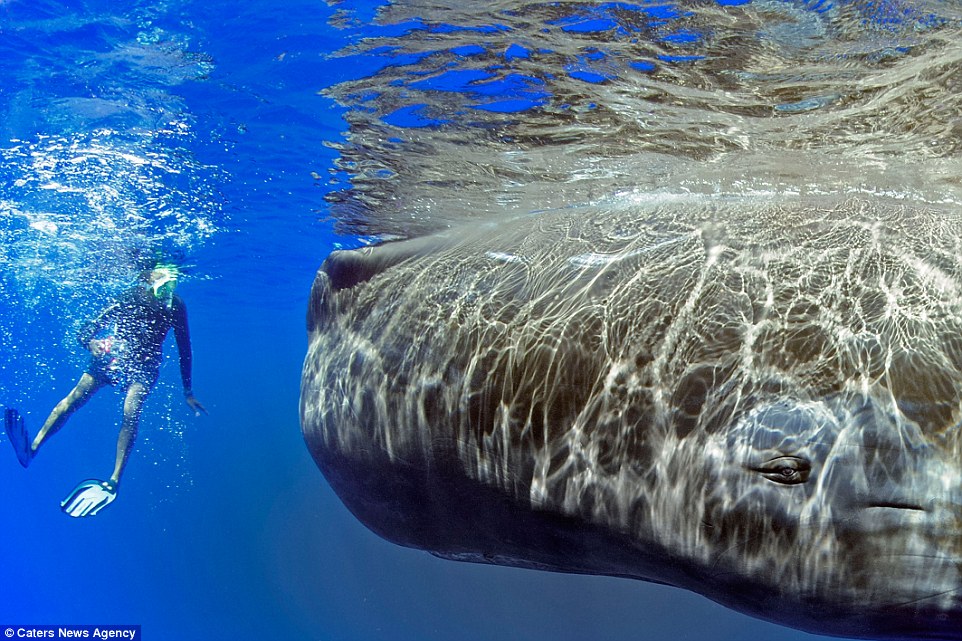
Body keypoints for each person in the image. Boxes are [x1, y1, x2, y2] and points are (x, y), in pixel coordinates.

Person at [4, 263, 206, 517]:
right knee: (73, 399)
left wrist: (188, 391)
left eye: (173, 276)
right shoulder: (131, 296)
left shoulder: (176, 306)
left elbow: (184, 349)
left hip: (144, 367)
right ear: (147, 275)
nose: (169, 280)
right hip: (113, 358)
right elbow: (87, 329)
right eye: (162, 273)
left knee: (131, 411)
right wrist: (92, 343)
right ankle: (31, 449)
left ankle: (113, 482)